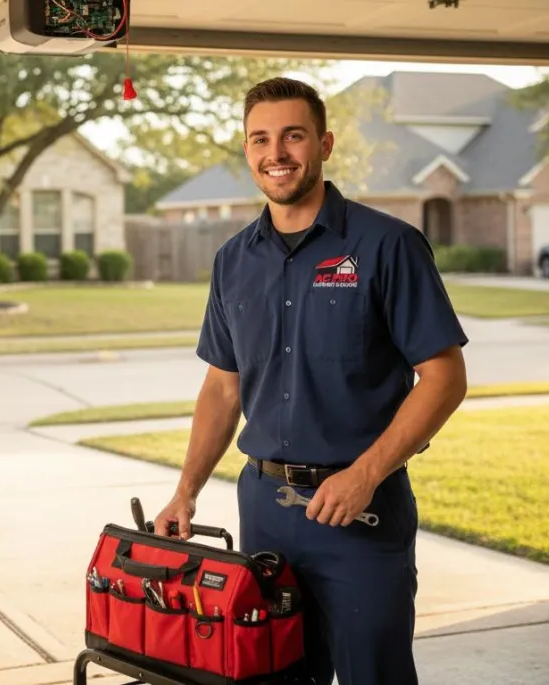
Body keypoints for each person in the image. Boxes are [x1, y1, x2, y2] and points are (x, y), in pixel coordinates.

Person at [152, 77, 469, 685]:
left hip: (360, 512)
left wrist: (366, 474)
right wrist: (186, 490)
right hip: (264, 510)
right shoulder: (233, 260)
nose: (277, 152)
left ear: (323, 144)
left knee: (372, 675)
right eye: (260, 139)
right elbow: (223, 387)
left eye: (293, 135)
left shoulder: (388, 245)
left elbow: (444, 376)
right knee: (274, 673)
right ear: (247, 151)